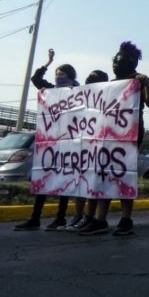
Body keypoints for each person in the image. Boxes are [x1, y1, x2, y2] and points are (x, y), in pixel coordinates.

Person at [79, 42, 149, 236]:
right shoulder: (111, 84)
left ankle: (126, 219)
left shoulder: (139, 80)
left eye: (119, 60)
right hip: (107, 134)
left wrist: (146, 83)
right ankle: (100, 220)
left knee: (124, 174)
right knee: (104, 175)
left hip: (129, 134)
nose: (115, 63)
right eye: (114, 60)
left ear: (130, 61)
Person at [13, 48, 79, 232]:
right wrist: (48, 63)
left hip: (68, 144)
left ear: (71, 76)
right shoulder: (51, 91)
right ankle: (35, 218)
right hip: (50, 144)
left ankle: (60, 218)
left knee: (64, 180)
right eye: (57, 74)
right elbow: (35, 79)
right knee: (43, 177)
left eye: (62, 74)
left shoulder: (78, 91)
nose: (58, 77)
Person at [61, 70, 110, 232]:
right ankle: (82, 216)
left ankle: (90, 217)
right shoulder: (82, 97)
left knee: (93, 181)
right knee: (82, 180)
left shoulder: (109, 96)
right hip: (84, 146)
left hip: (99, 146)